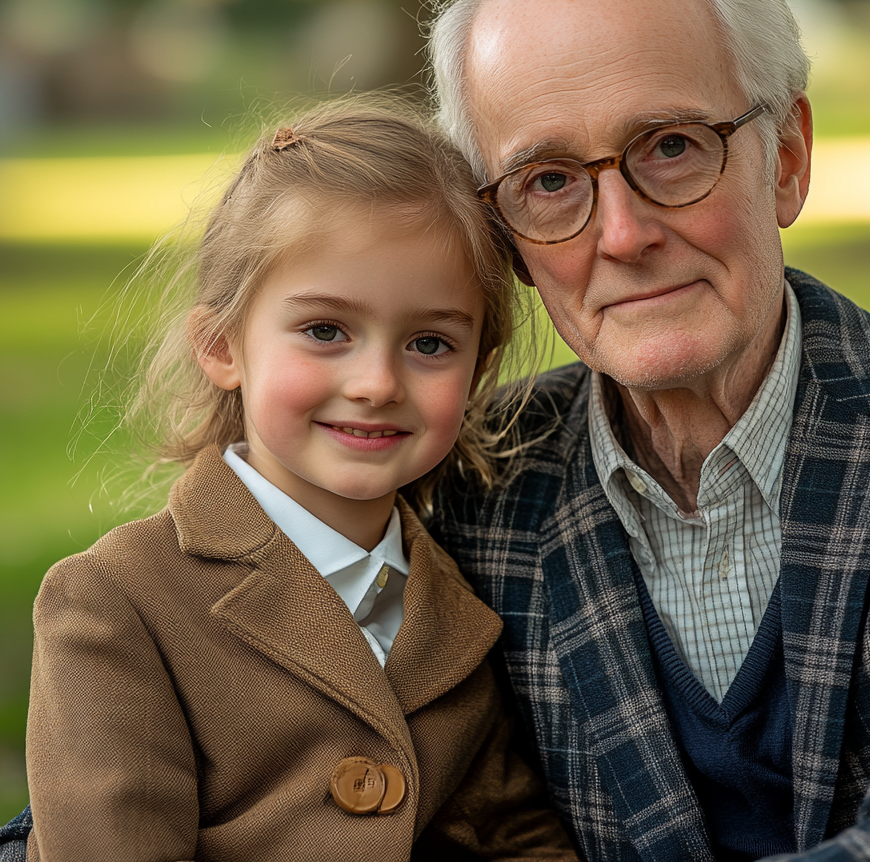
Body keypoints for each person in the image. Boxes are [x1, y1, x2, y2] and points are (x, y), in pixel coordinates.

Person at [426, 0, 870, 862]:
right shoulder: (466, 494)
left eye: (670, 146)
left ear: (785, 158)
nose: (621, 234)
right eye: (548, 181)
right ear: (505, 241)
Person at [11, 101, 576, 861]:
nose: (377, 382)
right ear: (222, 346)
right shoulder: (117, 602)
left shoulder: (462, 604)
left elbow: (520, 838)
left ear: (480, 369)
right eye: (325, 331)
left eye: (430, 342)